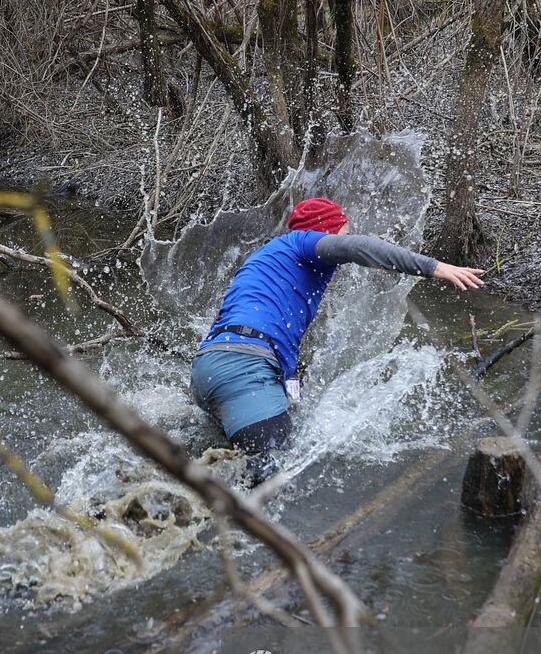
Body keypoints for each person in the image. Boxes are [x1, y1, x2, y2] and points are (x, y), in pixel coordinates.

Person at [191, 197, 486, 484]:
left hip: (208, 370)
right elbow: (359, 247)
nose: (347, 237)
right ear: (326, 231)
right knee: (273, 476)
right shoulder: (304, 242)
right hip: (244, 371)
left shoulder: (271, 261)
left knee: (241, 463)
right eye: (344, 229)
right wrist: (435, 268)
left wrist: (293, 404)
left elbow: (279, 351)